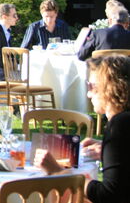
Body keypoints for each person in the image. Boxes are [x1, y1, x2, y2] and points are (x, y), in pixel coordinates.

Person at [34, 54, 130, 202]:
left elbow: (109, 195)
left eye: (91, 86)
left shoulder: (120, 124)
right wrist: (107, 150)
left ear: (109, 88)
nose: (88, 94)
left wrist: (60, 173)